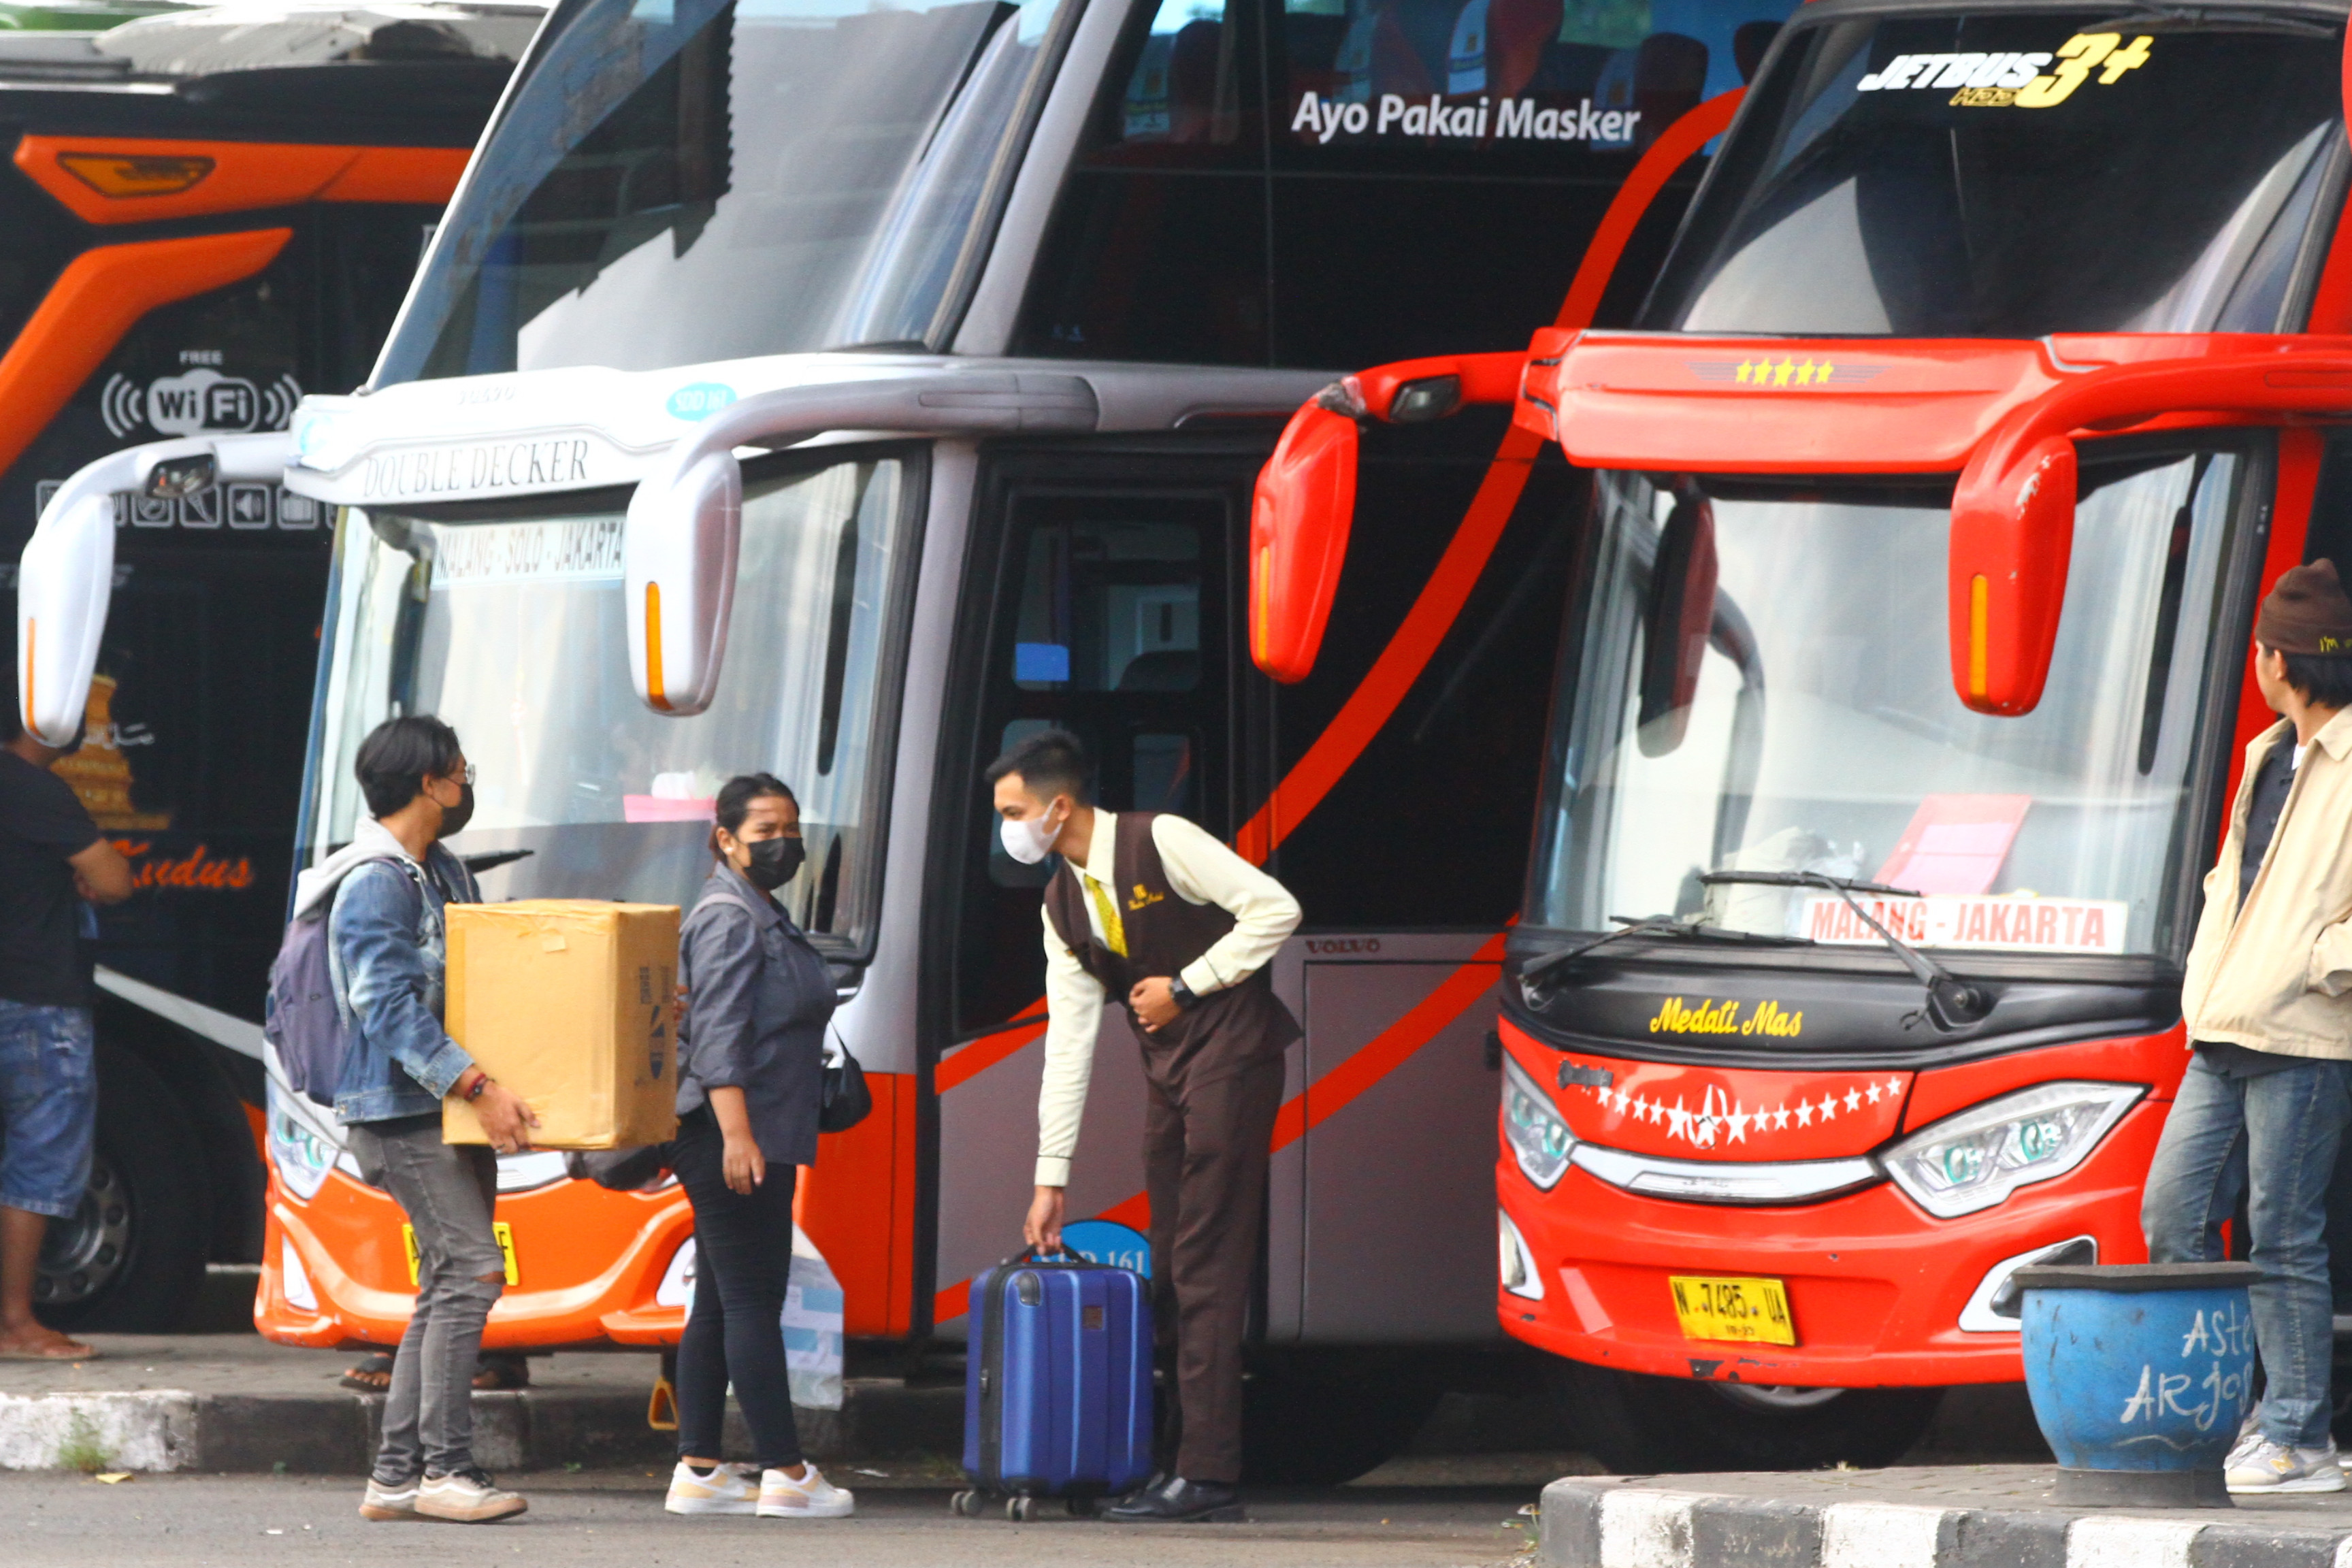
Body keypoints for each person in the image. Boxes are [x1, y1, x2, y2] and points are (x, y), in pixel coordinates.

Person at [987, 729, 1301, 1523]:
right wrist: (1048, 1178)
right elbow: (1069, 1043)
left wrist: (1189, 987)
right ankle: (1161, 1458)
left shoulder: (1160, 839)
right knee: (1166, 1262)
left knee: (1204, 1260)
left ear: (1059, 806)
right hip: (1169, 1069)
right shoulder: (1061, 903)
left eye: (1014, 811)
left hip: (1231, 1050)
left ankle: (1207, 1473)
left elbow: (1276, 908)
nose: (1008, 828)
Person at [290, 715, 538, 1524]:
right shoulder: (375, 880)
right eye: (460, 773)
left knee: (444, 1284)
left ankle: (396, 1478)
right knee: (471, 1274)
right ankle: (446, 1471)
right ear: (429, 782)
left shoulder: (443, 872)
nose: (467, 786)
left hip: (448, 1111)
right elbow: (385, 1005)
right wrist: (476, 1083)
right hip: (403, 1112)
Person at [2146, 559, 2352, 1495]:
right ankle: (2239, 1413)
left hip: (2305, 1035)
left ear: (2280, 658)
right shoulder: (2267, 754)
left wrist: (2323, 967)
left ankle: (2300, 1436)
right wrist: (2210, 981)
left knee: (2282, 1236)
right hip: (2224, 1026)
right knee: (2173, 1214)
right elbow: (2233, 885)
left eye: (2262, 650)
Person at [662, 772, 854, 1520]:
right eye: (765, 832)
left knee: (718, 1300)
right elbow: (716, 1036)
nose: (783, 844)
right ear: (726, 840)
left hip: (748, 1131)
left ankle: (700, 1470)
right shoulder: (728, 918)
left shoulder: (759, 909)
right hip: (728, 1134)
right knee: (751, 1300)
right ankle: (787, 1472)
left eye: (791, 829)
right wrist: (738, 1136)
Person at [0, 703, 131, 1360]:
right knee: (38, 1161)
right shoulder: (31, 786)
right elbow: (114, 879)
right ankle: (17, 1323)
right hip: (34, 1003)